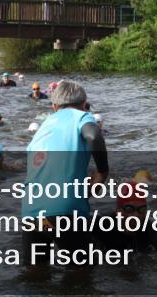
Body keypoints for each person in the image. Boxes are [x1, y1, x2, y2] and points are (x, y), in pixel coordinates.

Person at [21, 79, 109, 278]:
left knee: (35, 274)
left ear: (54, 106)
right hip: (66, 209)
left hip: (31, 211)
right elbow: (94, 136)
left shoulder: (44, 126)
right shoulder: (82, 116)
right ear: (84, 103)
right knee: (81, 273)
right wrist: (102, 171)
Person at [95, 179, 157, 253]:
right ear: (118, 210)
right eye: (129, 209)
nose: (135, 215)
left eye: (141, 209)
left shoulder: (155, 234)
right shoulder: (100, 227)